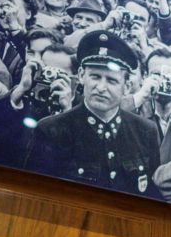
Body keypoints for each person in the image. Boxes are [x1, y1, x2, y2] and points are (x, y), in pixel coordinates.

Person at [24, 30, 160, 195]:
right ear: (81, 76)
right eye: (95, 77)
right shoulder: (51, 130)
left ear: (127, 86)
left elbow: (149, 194)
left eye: (112, 80)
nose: (101, 88)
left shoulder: (145, 131)